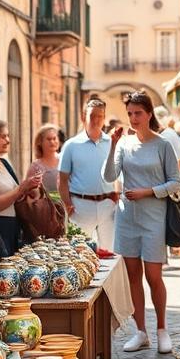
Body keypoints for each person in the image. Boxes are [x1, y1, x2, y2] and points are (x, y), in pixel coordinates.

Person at [103, 90, 180, 353]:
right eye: (130, 114)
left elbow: (175, 182)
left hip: (153, 218)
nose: (134, 118)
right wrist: (113, 145)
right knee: (133, 276)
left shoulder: (163, 145)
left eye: (138, 113)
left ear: (149, 114)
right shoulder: (124, 144)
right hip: (127, 218)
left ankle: (162, 329)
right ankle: (141, 332)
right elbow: (109, 175)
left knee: (154, 276)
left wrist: (148, 191)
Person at [0, 119, 42, 261]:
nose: (8, 140)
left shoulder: (3, 163)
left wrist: (30, 188)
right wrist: (21, 188)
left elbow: (16, 195)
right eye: (3, 136)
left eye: (8, 136)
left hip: (14, 226)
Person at [58, 97, 118, 249]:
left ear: (104, 118)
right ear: (84, 117)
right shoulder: (71, 145)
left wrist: (117, 198)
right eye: (92, 115)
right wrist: (67, 205)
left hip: (107, 205)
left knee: (110, 252)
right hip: (80, 206)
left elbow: (119, 173)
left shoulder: (112, 143)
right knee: (80, 252)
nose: (96, 120)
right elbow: (62, 180)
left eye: (100, 116)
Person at [26, 123, 62, 193]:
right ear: (40, 142)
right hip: (45, 203)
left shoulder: (65, 160)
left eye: (54, 138)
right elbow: (28, 190)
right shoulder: (35, 166)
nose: (52, 142)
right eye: (49, 139)